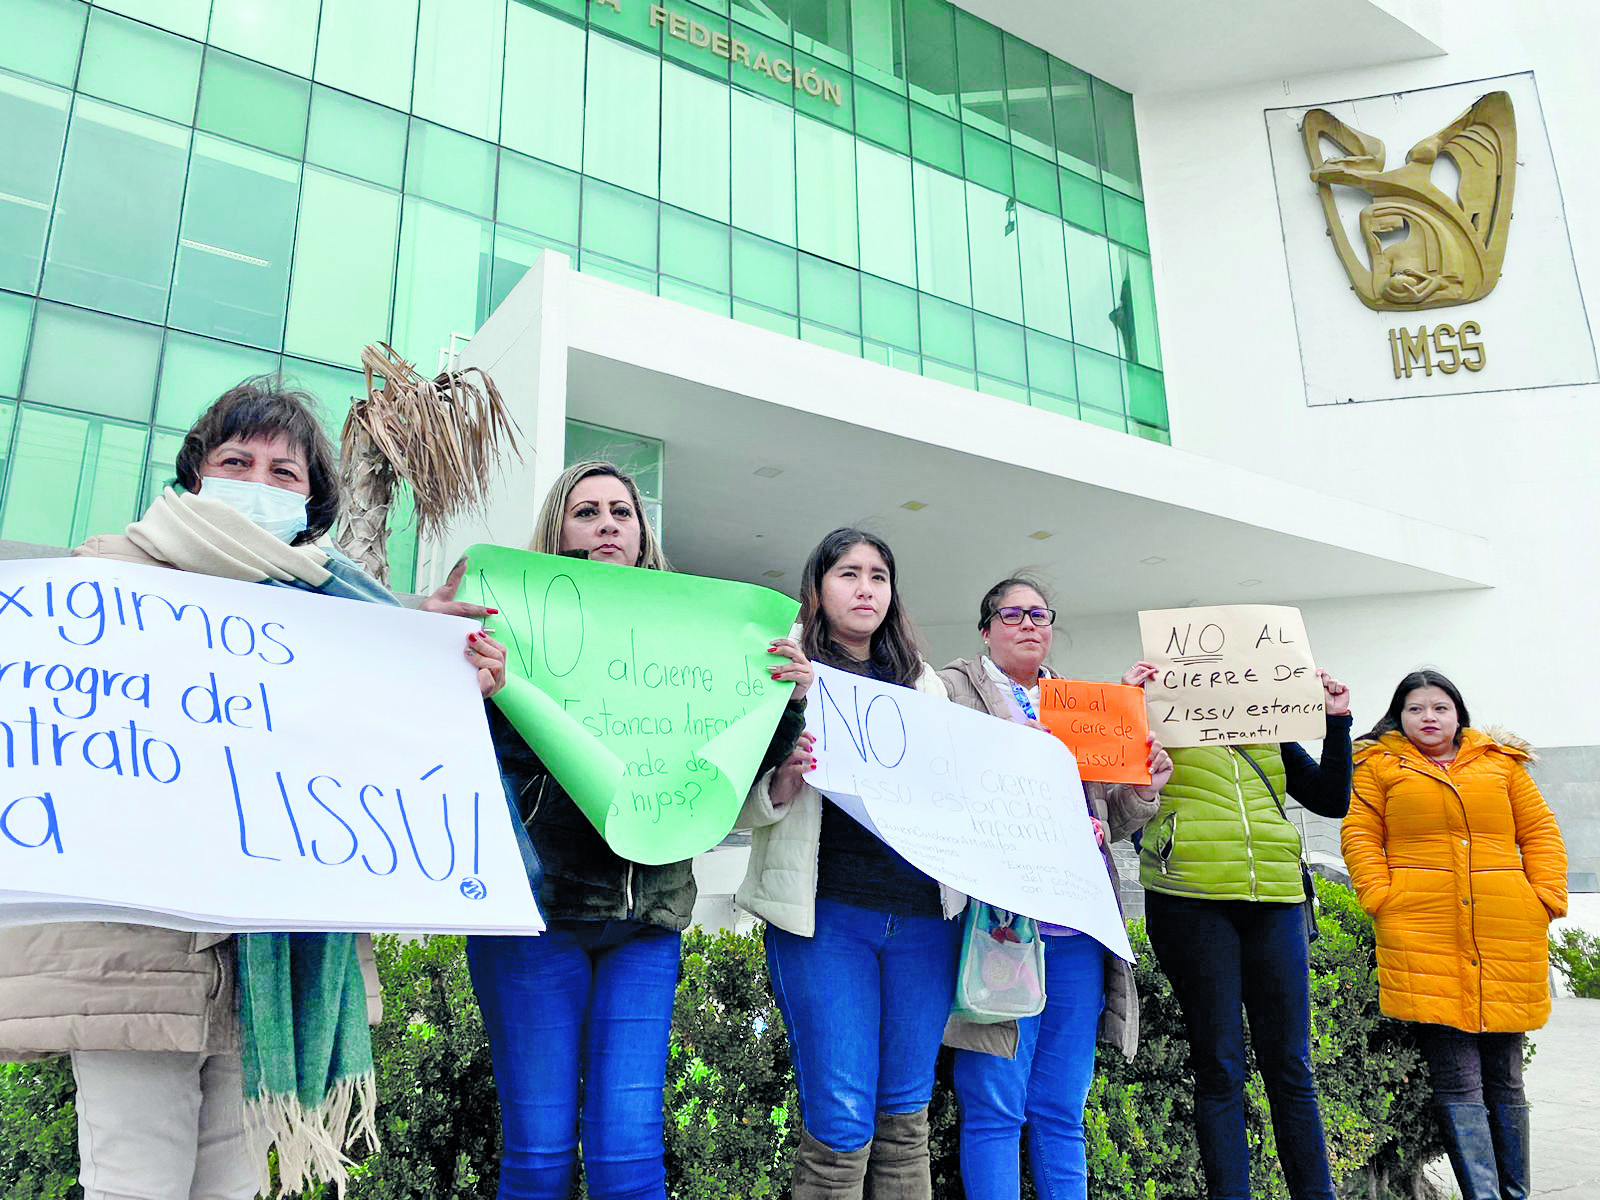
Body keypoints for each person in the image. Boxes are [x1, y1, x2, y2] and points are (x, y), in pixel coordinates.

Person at [0, 378, 508, 1200]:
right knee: (136, 1178)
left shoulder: (343, 607)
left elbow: (372, 745)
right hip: (138, 947)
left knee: (233, 1184)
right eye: (239, 461)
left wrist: (437, 673)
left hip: (266, 944)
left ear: (312, 500)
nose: (260, 482)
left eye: (285, 471)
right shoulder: (102, 579)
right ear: (197, 472)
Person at [466, 461, 812, 1200]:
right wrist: (492, 691)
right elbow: (472, 758)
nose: (607, 524)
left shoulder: (692, 637)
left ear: (642, 531)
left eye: (621, 510)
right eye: (586, 511)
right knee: (539, 1160)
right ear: (558, 530)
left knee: (630, 1164)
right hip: (538, 914)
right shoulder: (504, 627)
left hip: (647, 920)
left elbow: (746, 758)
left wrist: (787, 698)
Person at [736, 527, 963, 1200]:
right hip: (826, 921)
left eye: (878, 576)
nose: (865, 588)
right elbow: (726, 798)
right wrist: (782, 780)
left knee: (905, 1119)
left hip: (926, 922)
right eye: (848, 574)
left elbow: (953, 791)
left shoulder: (924, 684)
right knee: (839, 1123)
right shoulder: (779, 669)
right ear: (817, 587)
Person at [939, 577, 1171, 1200]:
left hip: (1078, 931)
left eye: (1040, 614)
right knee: (995, 1107)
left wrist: (1143, 787)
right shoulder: (949, 690)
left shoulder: (1080, 706)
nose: (1028, 624)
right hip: (1002, 929)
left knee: (1062, 1110)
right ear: (985, 628)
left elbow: (1111, 821)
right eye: (1011, 614)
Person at [1128, 659, 1352, 1200]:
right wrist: (1128, 711)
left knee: (1292, 1067)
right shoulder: (1157, 726)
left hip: (1274, 899)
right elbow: (1124, 798)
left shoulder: (1266, 728)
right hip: (1190, 902)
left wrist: (1337, 722)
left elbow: (1331, 798)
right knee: (1220, 1065)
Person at [1342, 670, 1566, 1200]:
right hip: (1424, 931)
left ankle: (1515, 1194)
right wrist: (1382, 897)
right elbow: (1359, 834)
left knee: (1506, 1077)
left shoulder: (1499, 765)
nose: (1429, 718)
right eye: (1416, 709)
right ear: (1400, 716)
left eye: (1439, 708)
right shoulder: (1379, 767)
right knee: (1457, 1077)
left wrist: (1545, 898)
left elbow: (1539, 831)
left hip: (1504, 930)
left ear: (1458, 713)